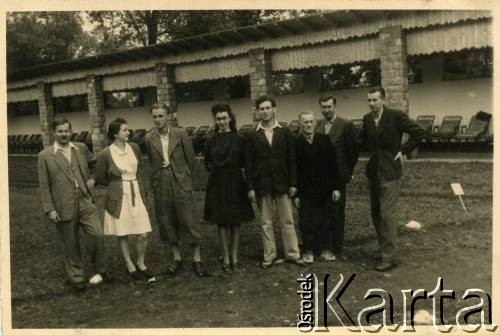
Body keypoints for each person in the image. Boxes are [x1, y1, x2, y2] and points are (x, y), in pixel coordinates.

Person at [358, 87, 425, 272]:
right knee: (376, 212)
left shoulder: (395, 116)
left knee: (388, 214)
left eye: (375, 100)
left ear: (383, 100)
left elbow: (419, 132)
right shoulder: (367, 119)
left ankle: (389, 257)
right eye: (369, 100)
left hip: (390, 170)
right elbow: (362, 139)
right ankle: (384, 249)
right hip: (374, 170)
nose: (372, 104)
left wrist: (403, 150)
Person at [37, 119, 106, 292]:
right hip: (62, 205)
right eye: (60, 131)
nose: (64, 134)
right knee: (70, 243)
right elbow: (44, 186)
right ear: (53, 133)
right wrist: (50, 209)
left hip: (85, 200)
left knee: (97, 234)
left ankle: (99, 271)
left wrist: (94, 179)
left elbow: (96, 163)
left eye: (67, 131)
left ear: (71, 131)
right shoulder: (45, 156)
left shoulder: (80, 148)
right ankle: (77, 277)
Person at [145, 102, 208, 277]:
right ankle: (177, 258)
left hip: (181, 180)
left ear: (169, 117)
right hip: (161, 182)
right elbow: (152, 162)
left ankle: (197, 259)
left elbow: (191, 159)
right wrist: (157, 180)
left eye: (161, 116)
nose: (157, 120)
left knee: (188, 219)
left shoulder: (180, 134)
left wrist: (185, 177)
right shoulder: (149, 138)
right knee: (166, 219)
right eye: (155, 116)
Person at [245, 95, 305, 269]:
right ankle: (269, 255)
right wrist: (250, 188)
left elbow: (292, 159)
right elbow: (248, 165)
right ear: (257, 112)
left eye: (267, 108)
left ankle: (292, 254)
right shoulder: (251, 135)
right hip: (262, 184)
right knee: (266, 222)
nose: (265, 112)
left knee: (287, 220)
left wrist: (293, 183)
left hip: (282, 183)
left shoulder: (284, 132)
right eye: (261, 109)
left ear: (274, 109)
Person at [95, 118, 156, 282]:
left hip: (136, 191)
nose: (128, 132)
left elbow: (139, 170)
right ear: (115, 134)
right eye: (124, 130)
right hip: (118, 196)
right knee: (122, 233)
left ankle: (141, 263)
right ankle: (129, 265)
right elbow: (100, 176)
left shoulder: (134, 148)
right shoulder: (106, 153)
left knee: (142, 233)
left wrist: (140, 189)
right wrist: (117, 185)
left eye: (128, 130)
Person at [203, 103, 254, 272]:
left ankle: (235, 257)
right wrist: (219, 171)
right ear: (215, 121)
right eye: (218, 119)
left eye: (224, 118)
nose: (222, 122)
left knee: (235, 221)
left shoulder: (239, 138)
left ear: (230, 118)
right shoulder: (211, 140)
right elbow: (207, 162)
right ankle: (225, 257)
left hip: (236, 182)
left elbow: (245, 162)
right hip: (217, 182)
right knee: (222, 221)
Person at [294, 110, 341, 264]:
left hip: (324, 189)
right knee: (306, 220)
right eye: (305, 122)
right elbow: (293, 168)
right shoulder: (296, 143)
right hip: (305, 190)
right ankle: (308, 250)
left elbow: (333, 165)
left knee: (326, 218)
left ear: (315, 123)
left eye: (310, 122)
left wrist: (336, 187)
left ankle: (325, 249)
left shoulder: (324, 140)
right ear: (300, 124)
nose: (308, 125)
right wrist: (296, 194)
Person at [316, 95, 359, 260]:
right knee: (322, 211)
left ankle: (338, 248)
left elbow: (352, 152)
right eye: (323, 107)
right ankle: (323, 246)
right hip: (320, 178)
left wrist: (347, 172)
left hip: (338, 176)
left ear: (335, 106)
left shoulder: (345, 125)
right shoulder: (318, 125)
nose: (326, 110)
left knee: (337, 212)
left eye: (329, 106)